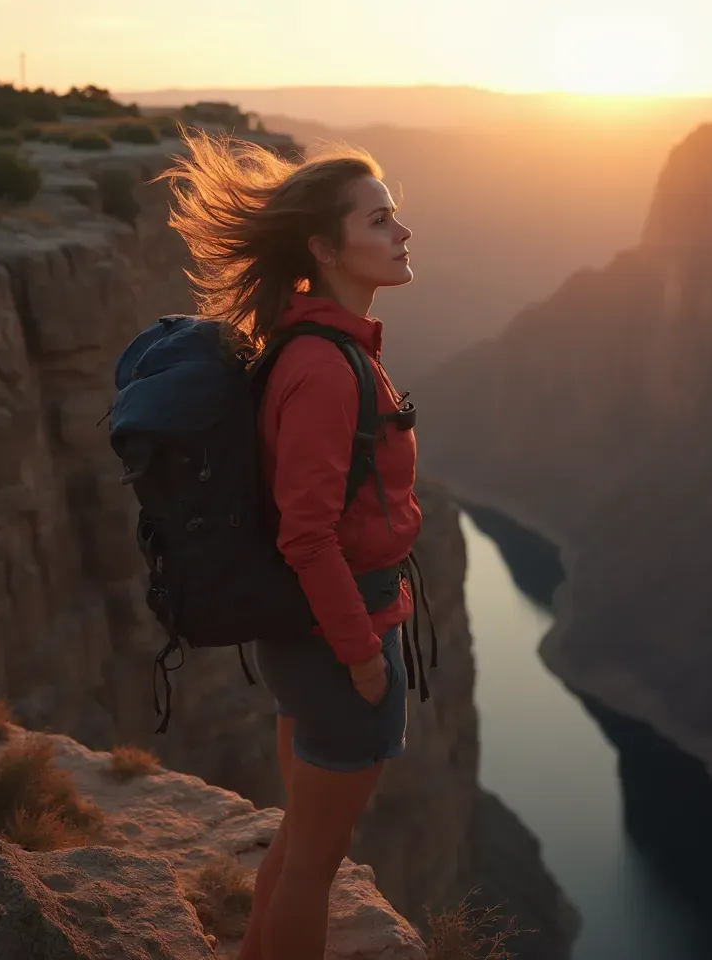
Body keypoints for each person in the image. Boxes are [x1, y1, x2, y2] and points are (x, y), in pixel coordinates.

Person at [164, 130, 423, 960]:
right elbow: (306, 532)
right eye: (380, 220)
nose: (403, 233)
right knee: (315, 865)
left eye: (397, 216)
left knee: (301, 848)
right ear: (324, 245)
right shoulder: (323, 367)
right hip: (340, 642)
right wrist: (364, 657)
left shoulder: (328, 349)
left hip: (314, 640)